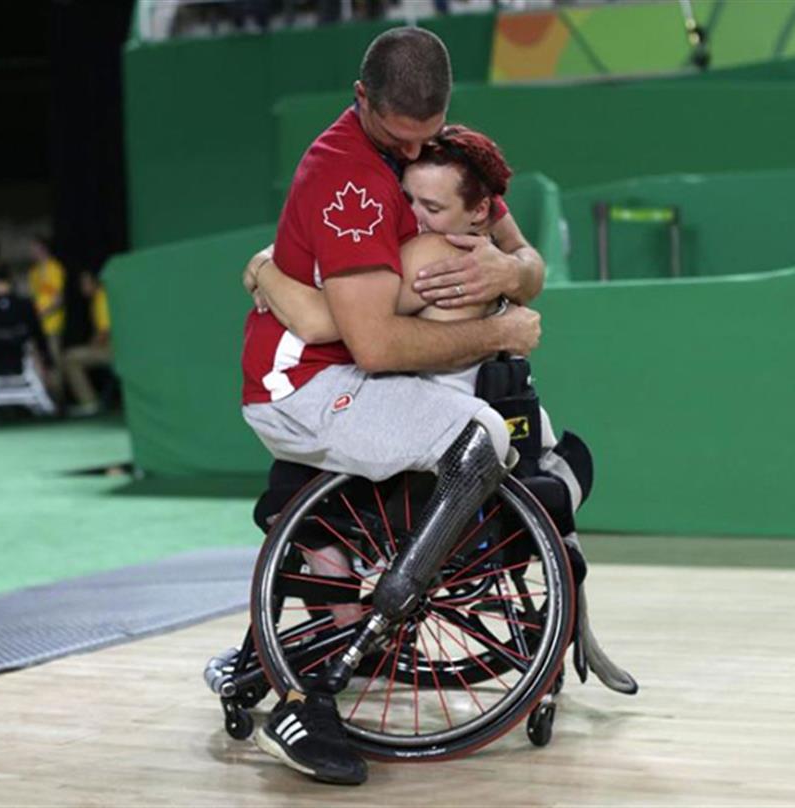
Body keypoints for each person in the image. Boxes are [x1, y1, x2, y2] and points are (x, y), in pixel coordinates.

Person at [240, 27, 544, 786]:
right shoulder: (343, 179)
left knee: (520, 426)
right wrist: (502, 328)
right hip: (307, 386)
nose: (412, 155)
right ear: (361, 98)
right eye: (397, 137)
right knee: (478, 434)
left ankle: (347, 607)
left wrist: (511, 273)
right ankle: (315, 688)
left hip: (361, 369)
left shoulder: (444, 158)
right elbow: (370, 344)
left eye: (426, 135)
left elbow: (529, 261)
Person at [247, 122, 636, 693]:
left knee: (293, 488)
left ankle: (345, 634)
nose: (413, 216)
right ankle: (341, 633)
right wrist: (515, 274)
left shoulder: (434, 254)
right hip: (507, 424)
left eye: (429, 207)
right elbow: (526, 262)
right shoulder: (465, 214)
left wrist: (265, 267)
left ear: (478, 211)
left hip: (439, 450)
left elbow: (326, 324)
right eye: (408, 200)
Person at [62, 272, 112, 417]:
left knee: (70, 358)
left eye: (85, 284)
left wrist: (92, 346)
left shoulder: (102, 298)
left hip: (112, 350)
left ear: (94, 283)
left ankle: (89, 403)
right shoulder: (96, 299)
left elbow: (105, 332)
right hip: (107, 347)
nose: (82, 288)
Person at [26, 235, 67, 397]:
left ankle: (59, 399)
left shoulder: (55, 268)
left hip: (52, 324)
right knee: (38, 362)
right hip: (38, 326)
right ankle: (44, 398)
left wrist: (42, 314)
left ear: (43, 248)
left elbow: (58, 300)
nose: (32, 252)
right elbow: (34, 298)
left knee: (54, 361)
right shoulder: (33, 272)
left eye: (34, 248)